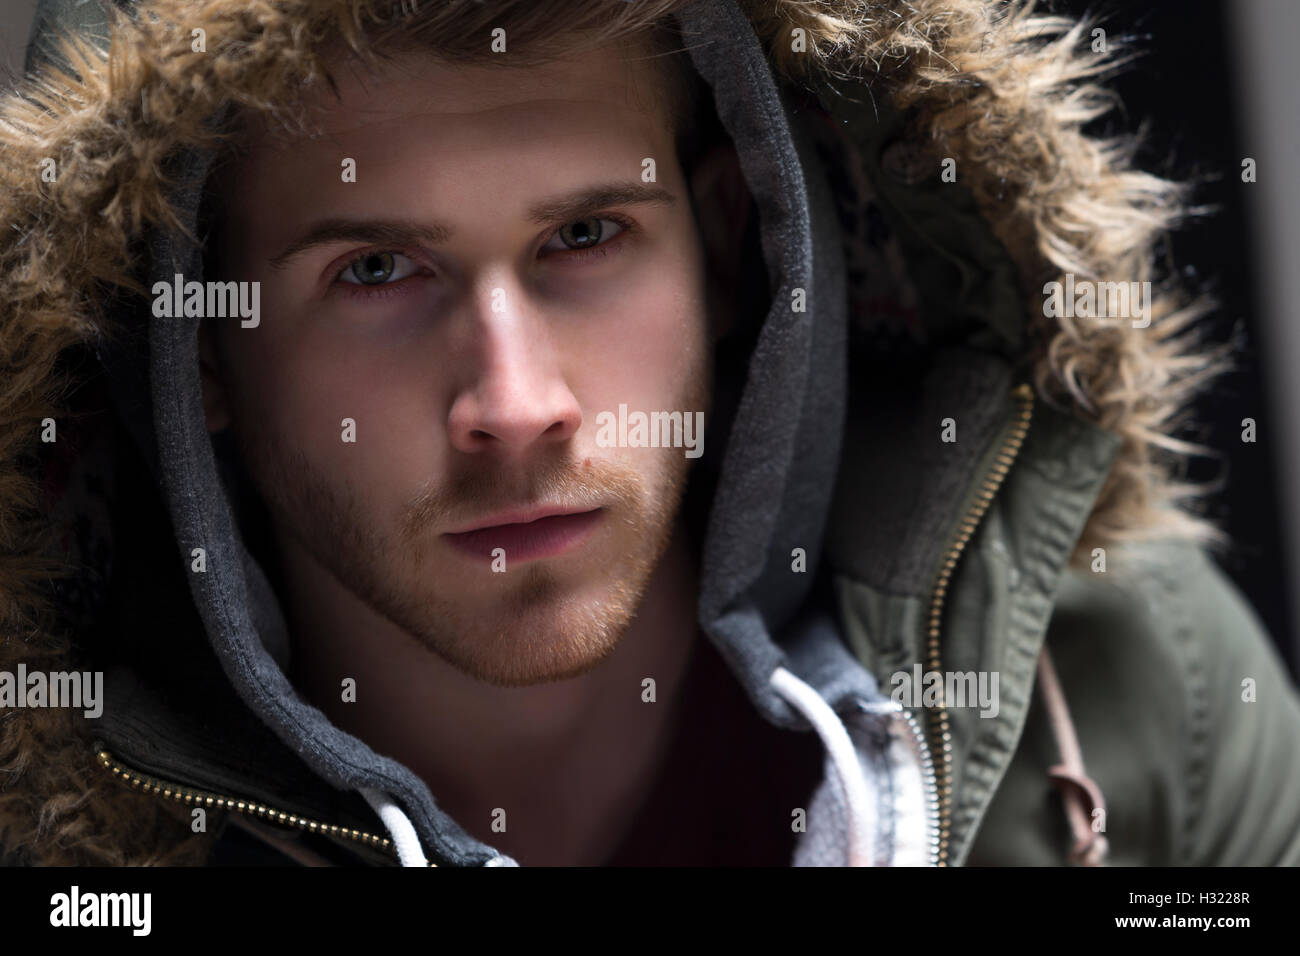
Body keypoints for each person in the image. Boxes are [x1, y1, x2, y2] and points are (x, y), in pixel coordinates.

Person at [2, 0, 1298, 867]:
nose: (514, 406)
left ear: (732, 247)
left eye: (582, 238)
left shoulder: (1136, 684)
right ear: (199, 348)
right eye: (378, 272)